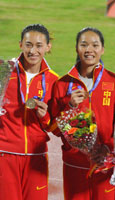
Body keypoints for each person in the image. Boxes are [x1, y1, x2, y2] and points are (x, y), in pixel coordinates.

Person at [48, 27, 115, 200]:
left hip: (104, 162)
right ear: (76, 48)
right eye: (84, 45)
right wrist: (69, 107)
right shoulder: (62, 84)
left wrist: (108, 148)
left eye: (95, 45)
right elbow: (54, 128)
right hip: (74, 164)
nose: (89, 50)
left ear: (102, 49)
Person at [0, 24, 59, 200]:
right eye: (28, 45)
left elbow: (54, 127)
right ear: (20, 45)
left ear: (48, 47)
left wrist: (45, 116)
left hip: (36, 158)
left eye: (39, 45)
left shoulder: (53, 80)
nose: (33, 50)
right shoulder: (4, 71)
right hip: (6, 155)